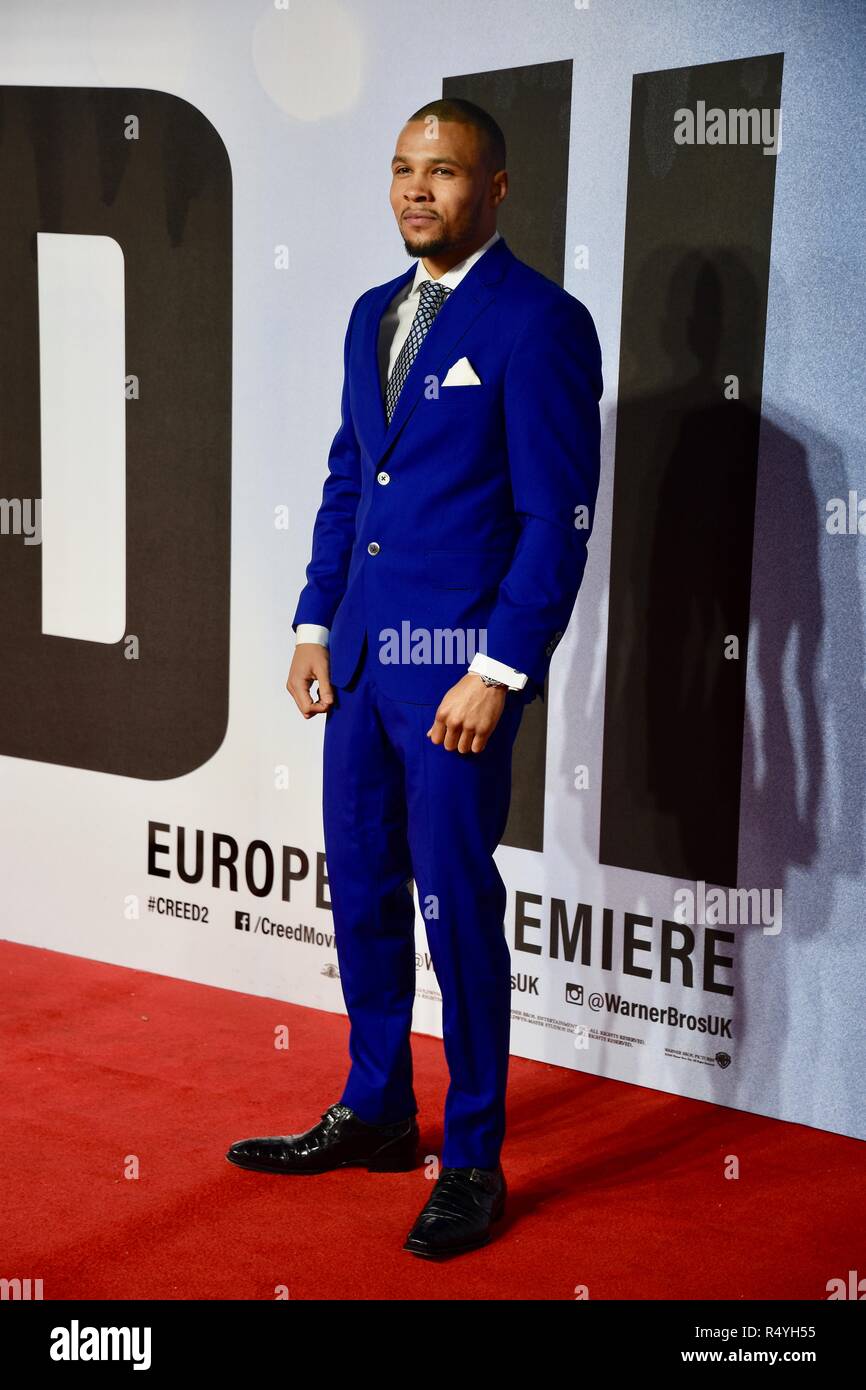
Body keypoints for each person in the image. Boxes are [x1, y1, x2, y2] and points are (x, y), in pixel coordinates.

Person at [227, 97, 603, 1259]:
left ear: (493, 189)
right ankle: (382, 1109)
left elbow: (554, 521)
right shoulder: (369, 315)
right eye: (401, 169)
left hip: (457, 678)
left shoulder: (540, 321)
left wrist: (499, 667)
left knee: (455, 904)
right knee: (365, 893)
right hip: (362, 664)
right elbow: (352, 479)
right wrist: (309, 620)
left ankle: (476, 1159)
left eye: (441, 173)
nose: (414, 190)